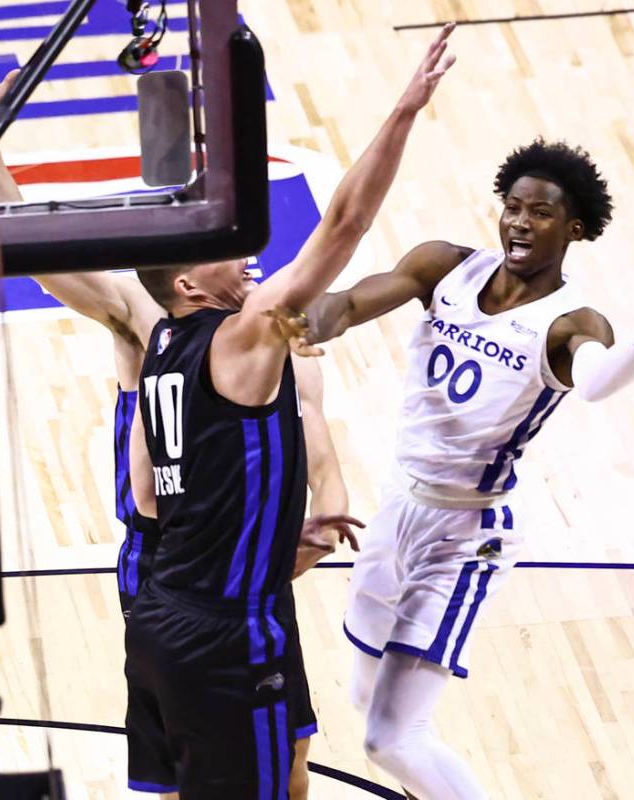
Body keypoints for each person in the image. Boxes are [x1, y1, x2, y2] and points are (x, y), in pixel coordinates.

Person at [0, 31, 368, 799]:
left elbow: (312, 432)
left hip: (249, 572)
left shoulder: (265, 327)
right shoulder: (148, 317)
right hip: (169, 572)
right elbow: (36, 248)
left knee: (292, 767)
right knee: (187, 776)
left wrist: (319, 514)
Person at [295, 138, 634, 799]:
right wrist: (315, 320)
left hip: (466, 533)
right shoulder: (444, 268)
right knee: (364, 698)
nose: (519, 222)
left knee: (389, 738)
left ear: (575, 229)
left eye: (539, 213)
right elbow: (353, 300)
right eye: (512, 207)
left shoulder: (569, 322)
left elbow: (593, 384)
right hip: (394, 509)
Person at [121, 25, 457, 798]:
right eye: (221, 248)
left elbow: (148, 496)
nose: (244, 252)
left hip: (168, 611)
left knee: (261, 778)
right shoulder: (240, 338)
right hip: (228, 632)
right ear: (186, 285)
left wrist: (261, 533)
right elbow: (342, 229)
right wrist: (403, 111)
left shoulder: (161, 348)